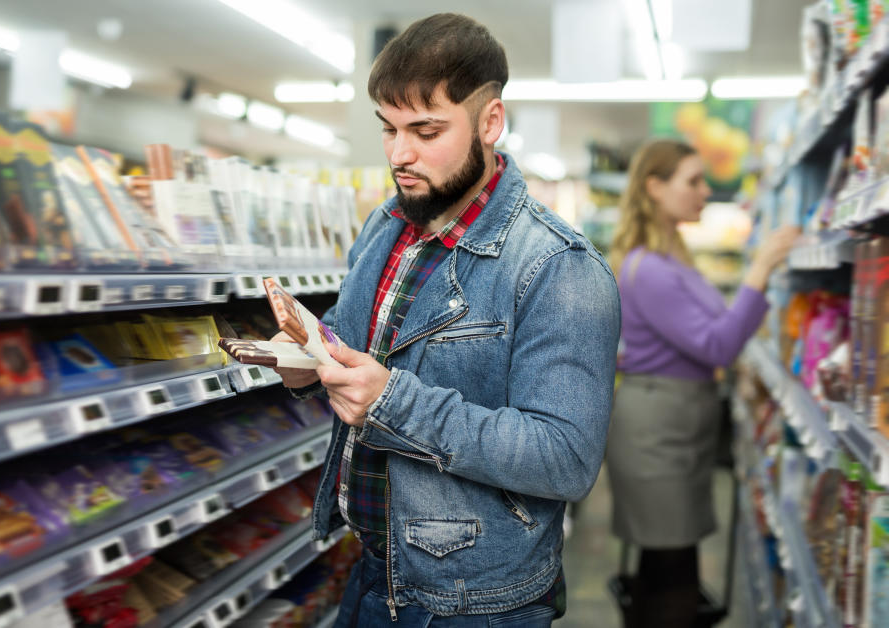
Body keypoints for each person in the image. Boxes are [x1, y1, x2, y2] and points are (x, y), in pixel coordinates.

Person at [271, 13, 620, 627]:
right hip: (371, 568)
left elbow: (565, 458)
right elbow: (354, 335)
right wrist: (309, 352)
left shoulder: (558, 269)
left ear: (490, 122)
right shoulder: (388, 225)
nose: (400, 154)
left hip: (473, 603)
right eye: (389, 129)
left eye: (426, 130)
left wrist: (393, 401)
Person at [605, 139, 800, 627]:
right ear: (654, 187)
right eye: (692, 181)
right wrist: (760, 269)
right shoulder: (648, 268)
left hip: (677, 424)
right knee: (673, 564)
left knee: (668, 556)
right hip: (656, 434)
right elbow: (717, 346)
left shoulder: (672, 258)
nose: (705, 190)